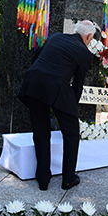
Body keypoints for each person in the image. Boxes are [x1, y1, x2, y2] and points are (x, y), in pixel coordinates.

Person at [18, 20, 96, 190]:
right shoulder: (85, 53)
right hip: (57, 86)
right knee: (72, 134)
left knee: (40, 131)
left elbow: (35, 59)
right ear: (89, 36)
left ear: (75, 31)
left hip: (34, 83)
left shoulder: (54, 37)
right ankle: (68, 179)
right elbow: (77, 85)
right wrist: (71, 110)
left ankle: (43, 178)